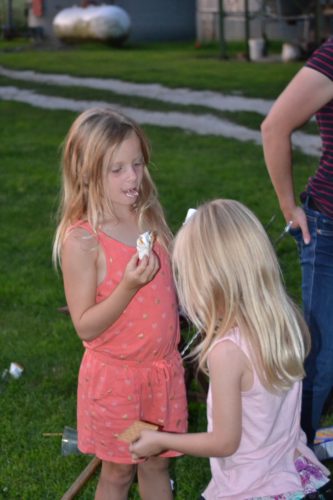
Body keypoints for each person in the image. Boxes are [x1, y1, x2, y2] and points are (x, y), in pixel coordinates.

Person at [130, 199, 331, 499]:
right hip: (291, 475)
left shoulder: (227, 352)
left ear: (211, 282)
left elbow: (225, 442)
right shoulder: (284, 323)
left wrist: (162, 440)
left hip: (249, 488)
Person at [52, 107, 188, 500]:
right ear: (86, 173)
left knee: (157, 460)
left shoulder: (148, 215)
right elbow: (86, 326)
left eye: (138, 163)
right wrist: (127, 286)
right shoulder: (83, 240)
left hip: (162, 375)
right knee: (119, 470)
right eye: (117, 169)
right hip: (120, 385)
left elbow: (171, 282)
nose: (133, 177)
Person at [261, 37, 333, 447]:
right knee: (322, 360)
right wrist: (290, 207)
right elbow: (274, 127)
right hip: (328, 228)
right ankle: (294, 464)